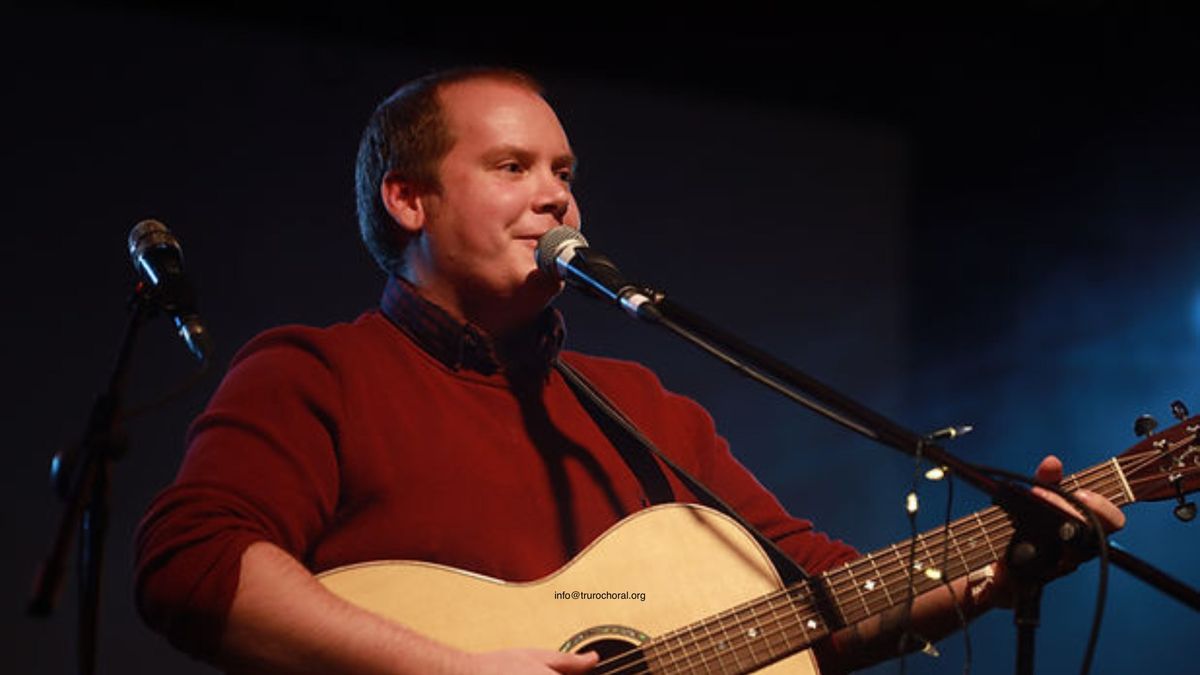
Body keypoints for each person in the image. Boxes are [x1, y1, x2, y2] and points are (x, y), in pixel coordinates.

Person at [135, 67, 1125, 674]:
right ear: (408, 199)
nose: (557, 199)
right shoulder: (319, 372)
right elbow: (192, 563)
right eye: (513, 168)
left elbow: (818, 595)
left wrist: (1002, 568)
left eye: (565, 173)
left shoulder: (647, 406)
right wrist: (452, 669)